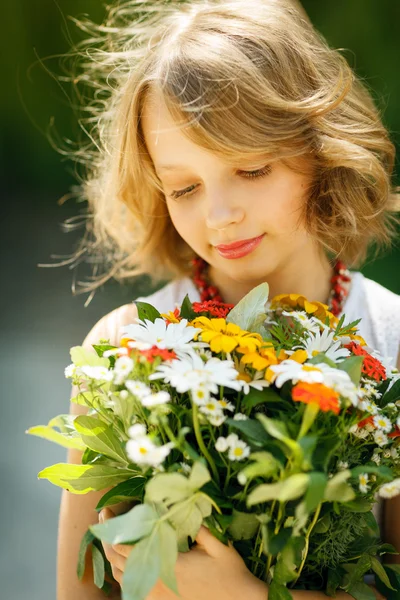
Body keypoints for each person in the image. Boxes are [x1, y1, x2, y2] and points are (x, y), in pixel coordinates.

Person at [56, 0, 400, 598]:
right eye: (184, 187)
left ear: (320, 146)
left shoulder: (392, 344)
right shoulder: (122, 349)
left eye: (252, 169)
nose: (219, 216)